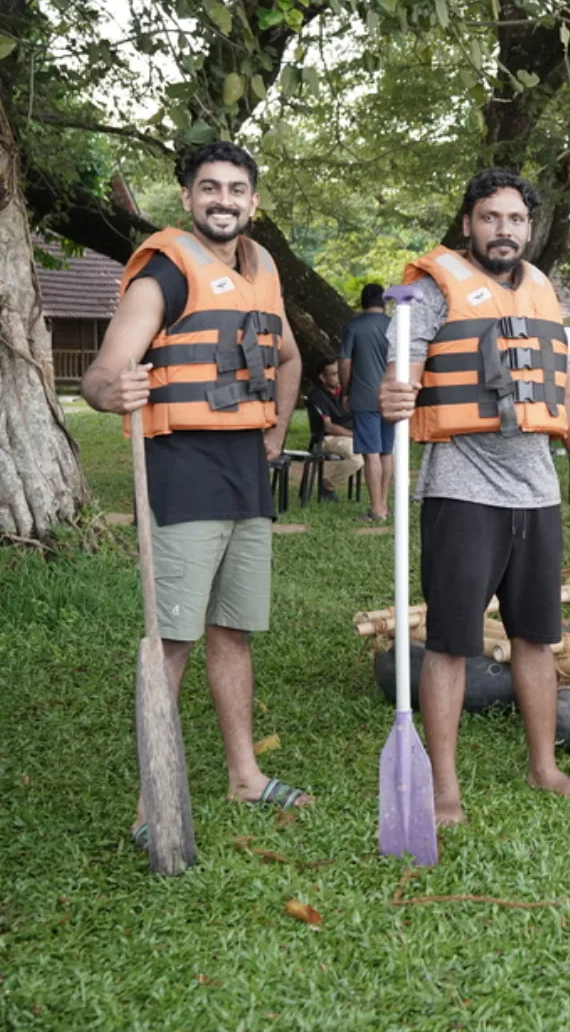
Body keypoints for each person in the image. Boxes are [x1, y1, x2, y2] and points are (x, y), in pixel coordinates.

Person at [80, 142, 311, 849]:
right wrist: (109, 390)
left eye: (236, 190)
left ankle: (245, 776)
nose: (223, 200)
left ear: (253, 201)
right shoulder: (164, 272)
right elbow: (102, 374)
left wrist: (274, 429)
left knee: (233, 630)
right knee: (172, 639)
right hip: (182, 468)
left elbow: (290, 356)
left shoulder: (263, 268)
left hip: (245, 466)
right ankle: (155, 800)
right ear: (186, 198)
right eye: (208, 188)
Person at [378, 168, 570, 825]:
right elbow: (400, 377)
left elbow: (561, 391)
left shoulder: (541, 289)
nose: (503, 230)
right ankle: (444, 787)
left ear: (528, 229)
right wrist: (392, 395)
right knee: (452, 642)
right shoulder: (429, 288)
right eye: (490, 218)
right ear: (468, 225)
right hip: (462, 488)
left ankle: (545, 768)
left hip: (536, 491)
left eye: (514, 220)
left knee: (537, 636)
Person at [340, 283, 395, 520]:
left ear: (362, 302)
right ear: (384, 302)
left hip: (364, 396)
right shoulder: (395, 326)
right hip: (391, 397)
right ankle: (383, 503)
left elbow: (344, 363)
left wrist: (345, 391)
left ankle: (376, 509)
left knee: (371, 453)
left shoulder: (354, 326)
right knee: (386, 452)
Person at [305, 360, 362, 498]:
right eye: (334, 374)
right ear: (323, 378)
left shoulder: (347, 393)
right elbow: (328, 427)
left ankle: (401, 494)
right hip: (327, 438)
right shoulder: (317, 395)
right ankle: (327, 484)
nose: (339, 377)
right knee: (357, 458)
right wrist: (355, 435)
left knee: (390, 452)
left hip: (352, 435)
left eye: (340, 373)